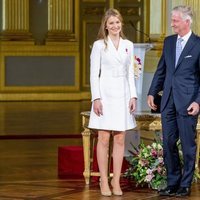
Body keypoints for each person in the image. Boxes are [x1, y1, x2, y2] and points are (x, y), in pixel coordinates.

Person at [147, 5, 200, 197]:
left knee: (187, 145)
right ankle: (172, 182)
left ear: (187, 21)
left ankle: (185, 185)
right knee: (168, 142)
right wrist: (152, 92)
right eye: (172, 20)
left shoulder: (198, 44)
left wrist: (198, 102)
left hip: (188, 103)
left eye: (175, 21)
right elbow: (162, 70)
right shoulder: (169, 42)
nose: (172, 24)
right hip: (168, 100)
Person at [88, 8, 137, 196]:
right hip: (105, 94)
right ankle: (103, 180)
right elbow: (94, 74)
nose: (115, 26)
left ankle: (116, 181)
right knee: (103, 138)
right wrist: (96, 98)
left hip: (123, 94)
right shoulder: (99, 45)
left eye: (117, 22)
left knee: (120, 138)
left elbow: (130, 74)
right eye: (111, 23)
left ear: (121, 23)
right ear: (106, 26)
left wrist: (133, 96)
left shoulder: (128, 45)